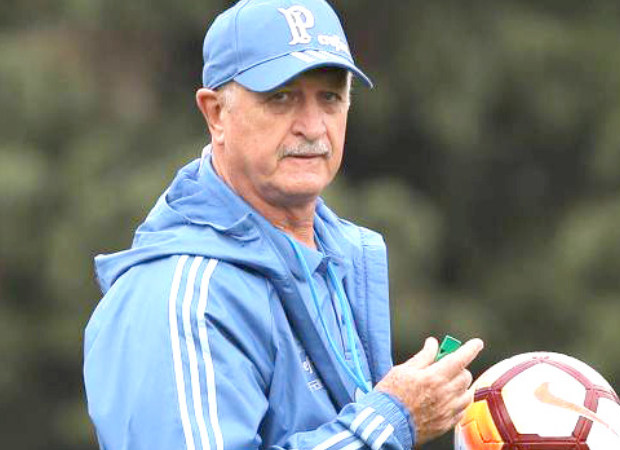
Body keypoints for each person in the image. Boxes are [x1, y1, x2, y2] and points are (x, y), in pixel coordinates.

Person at [83, 0, 484, 448]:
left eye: (330, 97)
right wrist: (390, 423)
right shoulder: (181, 299)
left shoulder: (337, 254)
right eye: (281, 97)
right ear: (215, 114)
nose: (312, 127)